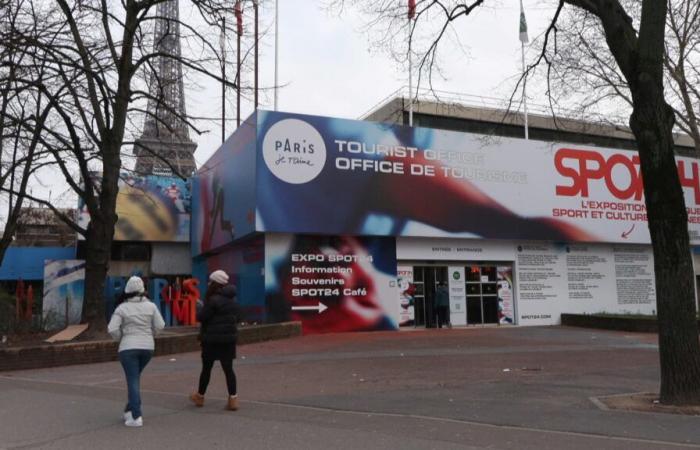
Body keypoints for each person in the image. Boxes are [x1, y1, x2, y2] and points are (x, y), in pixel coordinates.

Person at [107, 276, 165, 427]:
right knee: (135, 378)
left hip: (128, 348)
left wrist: (121, 337)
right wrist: (150, 335)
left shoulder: (122, 308)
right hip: (147, 348)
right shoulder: (151, 306)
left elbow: (112, 329)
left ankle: (136, 416)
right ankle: (129, 409)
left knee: (132, 380)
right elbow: (160, 325)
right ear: (142, 290)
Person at [190, 269, 241, 410]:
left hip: (211, 340)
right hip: (229, 340)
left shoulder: (213, 301)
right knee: (228, 369)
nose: (208, 284)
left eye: (210, 282)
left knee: (206, 369)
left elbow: (202, 317)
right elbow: (239, 317)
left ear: (215, 284)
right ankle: (233, 400)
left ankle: (200, 397)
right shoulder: (233, 301)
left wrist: (199, 309)